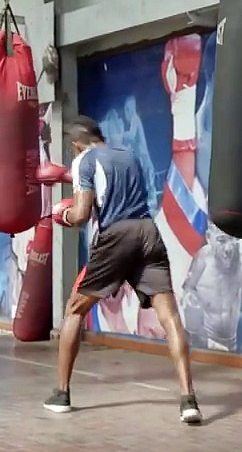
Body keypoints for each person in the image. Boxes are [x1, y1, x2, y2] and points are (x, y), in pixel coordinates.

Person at [46, 117, 200, 424]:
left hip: (118, 236)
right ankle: (188, 400)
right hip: (148, 231)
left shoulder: (83, 161)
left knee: (75, 309)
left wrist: (60, 214)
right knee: (169, 315)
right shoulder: (128, 155)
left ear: (76, 145)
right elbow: (115, 186)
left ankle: (61, 394)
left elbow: (81, 213)